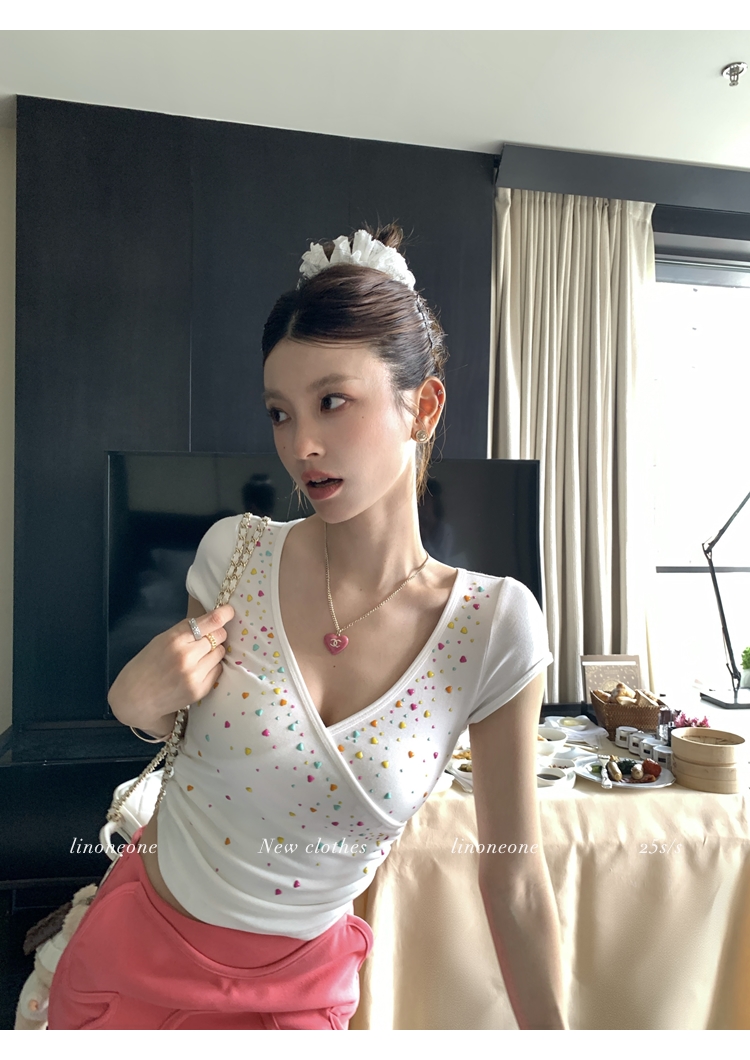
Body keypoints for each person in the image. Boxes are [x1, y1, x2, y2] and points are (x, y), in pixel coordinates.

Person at [47, 225, 567, 1031]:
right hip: (132, 960)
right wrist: (133, 704)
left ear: (424, 406)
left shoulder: (491, 627)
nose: (302, 445)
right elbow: (181, 739)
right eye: (280, 414)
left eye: (332, 401)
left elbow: (516, 880)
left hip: (296, 1000)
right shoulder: (232, 556)